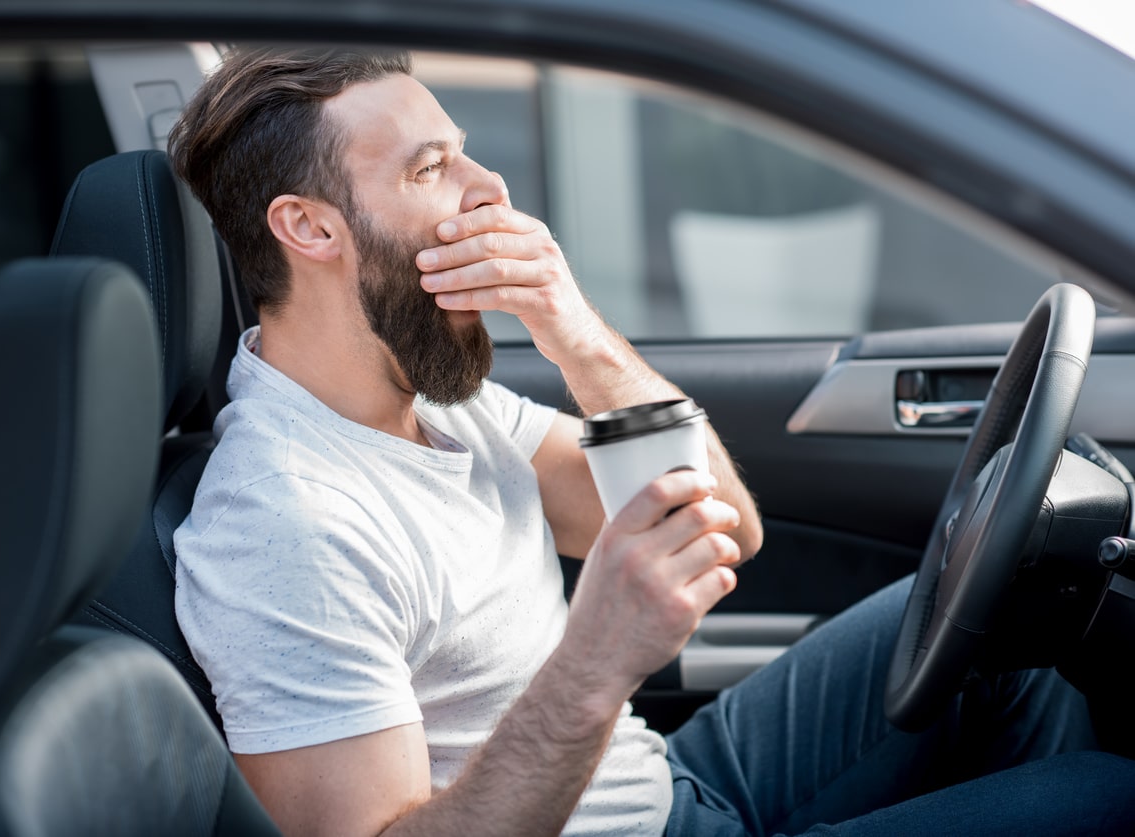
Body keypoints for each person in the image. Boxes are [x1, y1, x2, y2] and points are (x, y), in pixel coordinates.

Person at [169, 46, 1135, 836]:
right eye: (431, 168)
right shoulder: (283, 524)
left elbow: (718, 521)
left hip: (666, 785)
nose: (490, 186)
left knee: (1000, 632)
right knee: (1106, 799)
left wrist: (574, 330)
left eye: (465, 151)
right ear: (307, 226)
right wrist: (594, 664)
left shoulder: (433, 393)